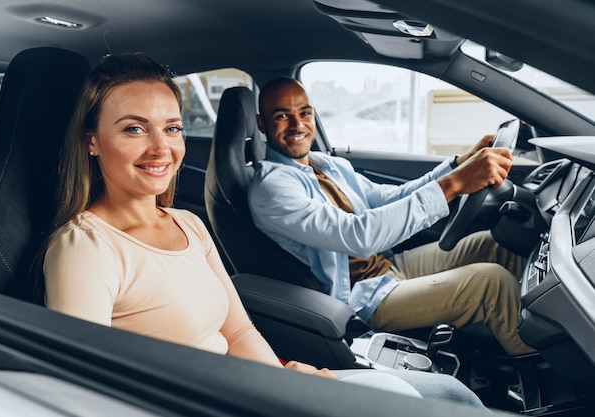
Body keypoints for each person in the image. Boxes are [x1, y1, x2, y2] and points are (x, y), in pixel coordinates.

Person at [39, 53, 486, 407]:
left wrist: (279, 381)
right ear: (92, 140)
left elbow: (236, 332)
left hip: (251, 387)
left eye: (172, 128)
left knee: (453, 396)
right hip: (206, 401)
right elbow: (86, 390)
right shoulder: (85, 248)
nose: (162, 148)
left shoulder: (187, 224)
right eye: (134, 128)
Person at [248, 76, 536, 357]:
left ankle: (534, 322)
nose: (298, 125)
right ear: (262, 124)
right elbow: (357, 235)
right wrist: (454, 184)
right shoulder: (272, 187)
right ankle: (541, 368)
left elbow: (389, 198)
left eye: (305, 113)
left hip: (388, 265)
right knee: (490, 283)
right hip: (363, 299)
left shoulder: (324, 164)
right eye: (282, 116)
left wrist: (457, 165)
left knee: (492, 244)